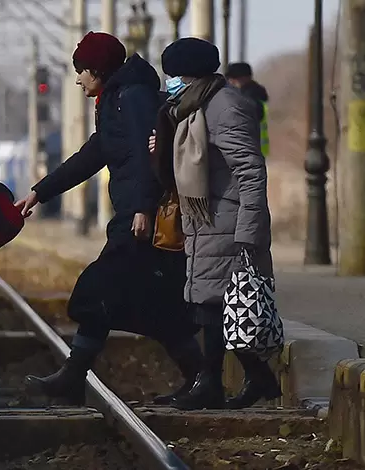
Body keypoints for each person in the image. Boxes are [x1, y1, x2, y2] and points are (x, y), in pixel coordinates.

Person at [16, 32, 201, 406]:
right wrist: (40, 191)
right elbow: (93, 154)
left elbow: (146, 154)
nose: (78, 79)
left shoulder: (131, 98)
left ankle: (73, 374)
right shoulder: (114, 98)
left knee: (97, 290)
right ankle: (200, 377)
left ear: (97, 69)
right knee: (154, 305)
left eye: (81, 71)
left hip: (138, 219)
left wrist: (143, 208)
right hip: (133, 214)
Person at [150, 38, 277, 410]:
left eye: (173, 76)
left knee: (214, 304)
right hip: (206, 219)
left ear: (189, 74)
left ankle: (213, 383)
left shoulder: (224, 108)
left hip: (229, 220)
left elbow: (252, 171)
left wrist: (249, 232)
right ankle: (253, 377)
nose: (170, 82)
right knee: (212, 304)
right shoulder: (195, 106)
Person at [225, 62, 269, 157]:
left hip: (248, 151)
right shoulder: (257, 95)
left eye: (233, 79)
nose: (230, 82)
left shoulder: (249, 100)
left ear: (243, 78)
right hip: (254, 150)